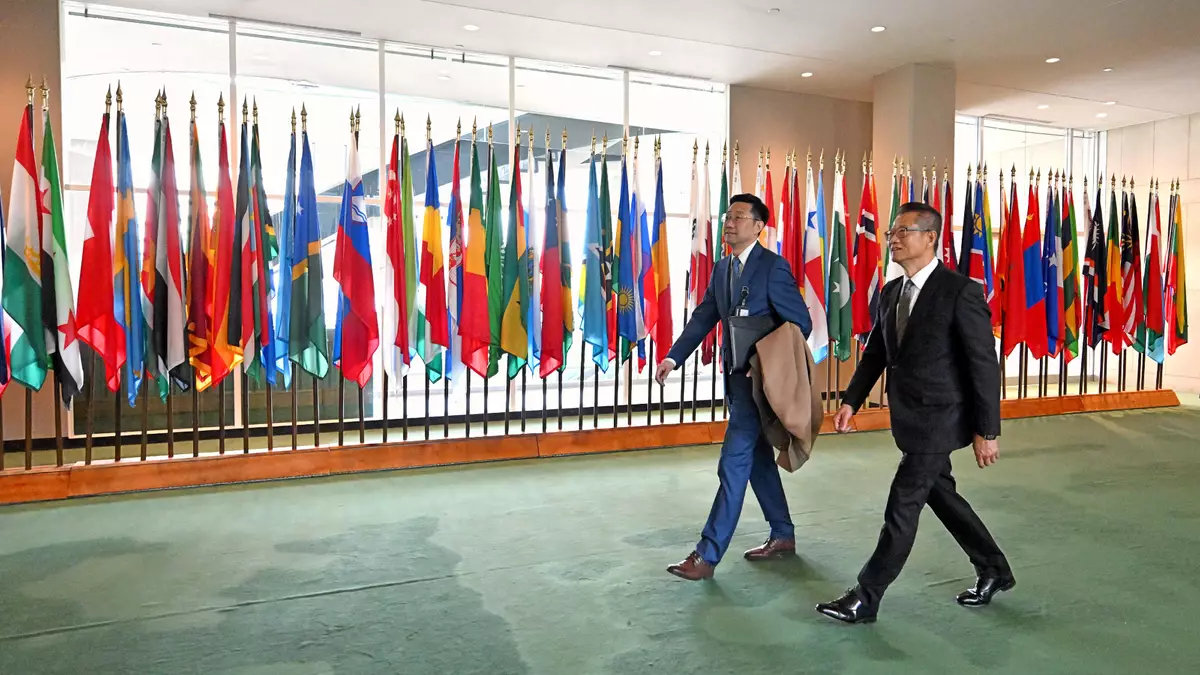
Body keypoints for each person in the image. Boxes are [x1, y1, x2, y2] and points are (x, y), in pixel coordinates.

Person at [816, 202, 1013, 624]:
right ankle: (994, 569)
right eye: (892, 232)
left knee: (903, 504)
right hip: (909, 416)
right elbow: (877, 353)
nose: (894, 239)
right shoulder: (892, 292)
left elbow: (983, 364)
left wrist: (987, 430)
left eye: (904, 231)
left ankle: (866, 597)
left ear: (931, 238)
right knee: (941, 495)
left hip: (942, 417)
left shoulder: (960, 291)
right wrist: (851, 400)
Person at [654, 193, 812, 581]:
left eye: (739, 217)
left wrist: (766, 362)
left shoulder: (773, 267)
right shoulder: (723, 268)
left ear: (758, 227)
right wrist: (673, 357)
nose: (729, 222)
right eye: (728, 216)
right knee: (757, 459)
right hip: (735, 383)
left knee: (733, 463)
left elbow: (800, 324)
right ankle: (783, 534)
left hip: (760, 385)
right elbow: (704, 316)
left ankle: (707, 555)